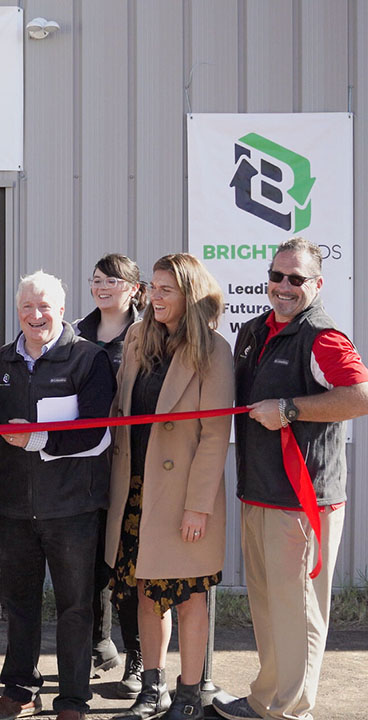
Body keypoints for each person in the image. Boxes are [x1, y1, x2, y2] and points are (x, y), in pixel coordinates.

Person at [214, 238, 368, 720]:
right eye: (277, 276)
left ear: (317, 284)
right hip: (259, 491)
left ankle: (290, 710)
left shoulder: (323, 337)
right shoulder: (254, 330)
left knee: (298, 612)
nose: (284, 287)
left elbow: (360, 396)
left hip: (303, 501)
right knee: (267, 607)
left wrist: (290, 409)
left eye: (296, 279)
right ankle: (267, 699)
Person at [0, 270, 115, 720]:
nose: (36, 315)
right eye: (28, 307)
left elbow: (96, 433)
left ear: (62, 309)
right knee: (19, 605)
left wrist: (38, 440)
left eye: (45, 306)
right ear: (18, 311)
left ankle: (72, 700)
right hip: (14, 506)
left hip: (73, 506)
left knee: (75, 607)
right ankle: (19, 692)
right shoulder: (2, 362)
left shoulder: (88, 359)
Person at [105, 254, 234, 720]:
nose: (155, 297)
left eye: (167, 289)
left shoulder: (214, 350)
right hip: (136, 488)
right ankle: (152, 689)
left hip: (182, 495)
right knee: (145, 593)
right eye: (153, 288)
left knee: (189, 598)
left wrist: (198, 506)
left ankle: (189, 694)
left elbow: (216, 434)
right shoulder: (138, 338)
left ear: (189, 295)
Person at [73, 253, 145, 697]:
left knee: (127, 565)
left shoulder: (146, 335)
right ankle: (98, 644)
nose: (102, 287)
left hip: (128, 464)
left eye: (112, 281)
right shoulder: (75, 333)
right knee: (88, 561)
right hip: (79, 464)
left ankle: (136, 658)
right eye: (97, 279)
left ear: (133, 289)